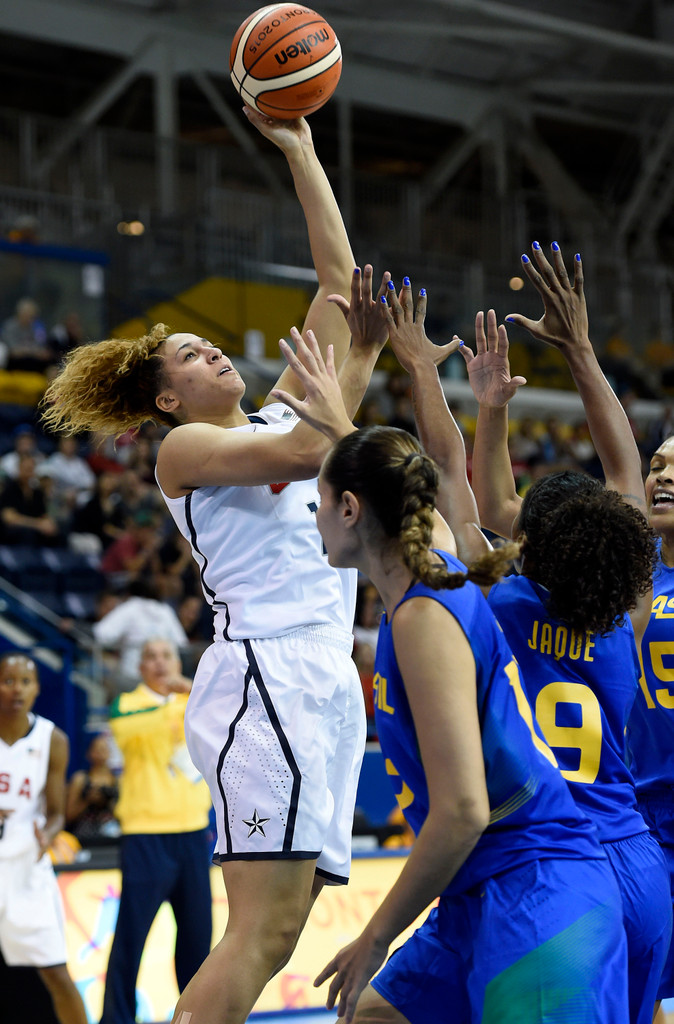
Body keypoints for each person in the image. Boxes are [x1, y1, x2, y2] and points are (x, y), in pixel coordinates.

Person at [41, 107, 389, 1024]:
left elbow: (337, 285)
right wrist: (351, 367)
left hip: (325, 672)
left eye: (211, 343)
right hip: (265, 671)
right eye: (192, 354)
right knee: (257, 934)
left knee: (289, 922)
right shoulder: (183, 450)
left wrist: (302, 152)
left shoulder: (284, 416)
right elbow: (312, 452)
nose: (213, 350)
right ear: (167, 395)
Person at [273, 329, 630, 1024]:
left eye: (318, 503)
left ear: (349, 510)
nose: (313, 519)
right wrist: (337, 416)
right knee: (372, 1018)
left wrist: (375, 935)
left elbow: (464, 810)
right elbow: (414, 476)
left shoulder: (421, 620)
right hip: (477, 894)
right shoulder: (434, 571)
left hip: (533, 886)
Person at [445, 244, 671, 1024]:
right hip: (635, 852)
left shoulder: (498, 604)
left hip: (553, 864)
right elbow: (625, 479)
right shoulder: (622, 621)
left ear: (527, 547)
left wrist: (489, 407)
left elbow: (475, 500)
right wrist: (579, 348)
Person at [101, 638, 213, 1024]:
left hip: (194, 833)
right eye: (151, 656)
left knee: (198, 940)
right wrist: (182, 697)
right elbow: (132, 732)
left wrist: (196, 693)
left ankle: (195, 1017)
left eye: (166, 655)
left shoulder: (195, 698)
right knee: (131, 940)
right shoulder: (127, 704)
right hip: (145, 834)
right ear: (140, 667)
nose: (160, 662)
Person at [0, 651, 87, 1024]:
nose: (16, 689)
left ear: (36, 689)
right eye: (8, 680)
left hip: (25, 865)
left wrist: (48, 834)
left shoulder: (53, 739)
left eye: (25, 681)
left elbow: (56, 812)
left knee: (55, 972)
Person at [628, 426, 674, 1020]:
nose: (663, 476)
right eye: (656, 464)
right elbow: (504, 512)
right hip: (638, 817)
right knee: (639, 991)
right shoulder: (627, 569)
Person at [65, 732, 120, 847]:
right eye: (97, 749)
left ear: (110, 752)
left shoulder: (118, 780)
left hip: (113, 836)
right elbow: (68, 815)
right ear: (89, 753)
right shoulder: (80, 779)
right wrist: (87, 801)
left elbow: (125, 815)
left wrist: (108, 801)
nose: (100, 753)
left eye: (104, 749)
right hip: (84, 836)